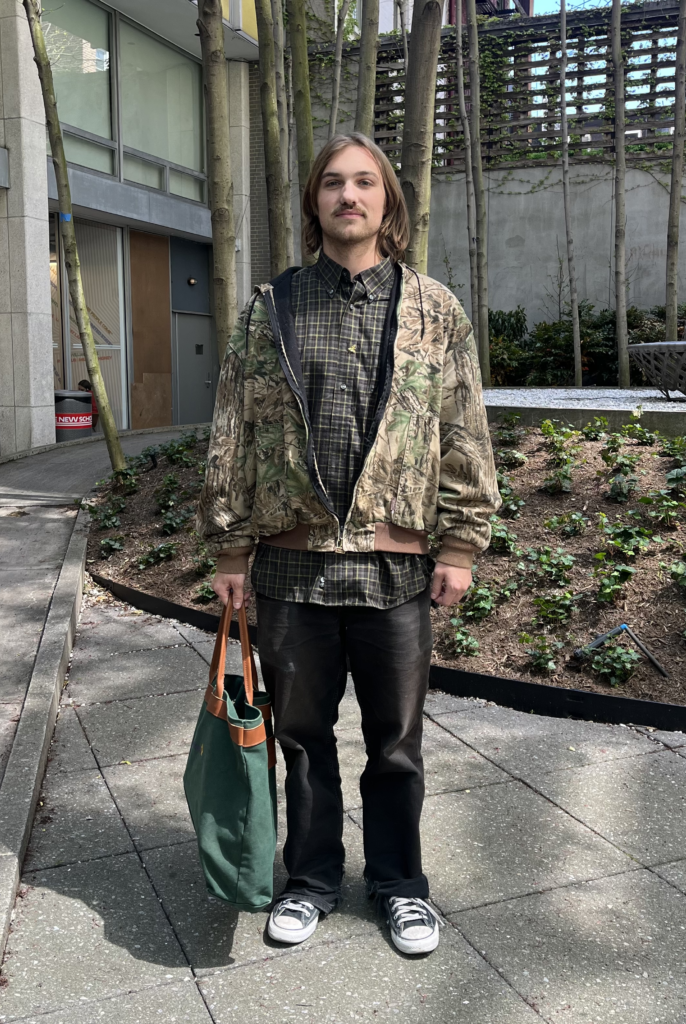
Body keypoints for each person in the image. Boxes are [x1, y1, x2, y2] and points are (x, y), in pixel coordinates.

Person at [199, 133, 500, 956]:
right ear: (314, 203)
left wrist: (461, 545)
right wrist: (230, 552)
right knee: (301, 742)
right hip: (292, 569)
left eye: (365, 183)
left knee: (395, 746)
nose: (348, 196)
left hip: (396, 569)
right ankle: (311, 880)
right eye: (332, 183)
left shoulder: (433, 309)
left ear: (388, 202)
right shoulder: (272, 306)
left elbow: (462, 431)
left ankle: (401, 886)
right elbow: (233, 429)